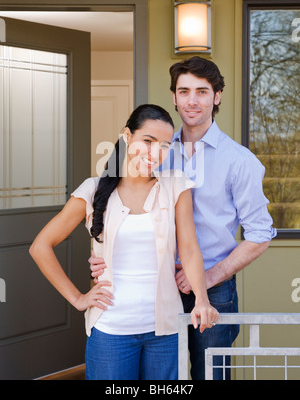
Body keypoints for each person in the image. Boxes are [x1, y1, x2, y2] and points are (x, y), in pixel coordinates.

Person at [90, 57, 277, 380]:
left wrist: (206, 277)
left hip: (213, 288)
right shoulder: (153, 149)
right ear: (174, 97)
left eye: (202, 92)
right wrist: (101, 255)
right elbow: (113, 203)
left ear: (217, 96)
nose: (192, 100)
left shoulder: (239, 161)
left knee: (210, 376)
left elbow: (260, 234)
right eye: (184, 91)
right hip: (154, 284)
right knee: (163, 378)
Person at [29, 103, 219, 381]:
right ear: (127, 136)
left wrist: (202, 298)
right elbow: (40, 246)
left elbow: (189, 249)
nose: (156, 153)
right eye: (148, 141)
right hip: (111, 332)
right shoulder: (93, 190)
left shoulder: (176, 185)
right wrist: (78, 298)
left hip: (165, 332)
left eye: (165, 145)